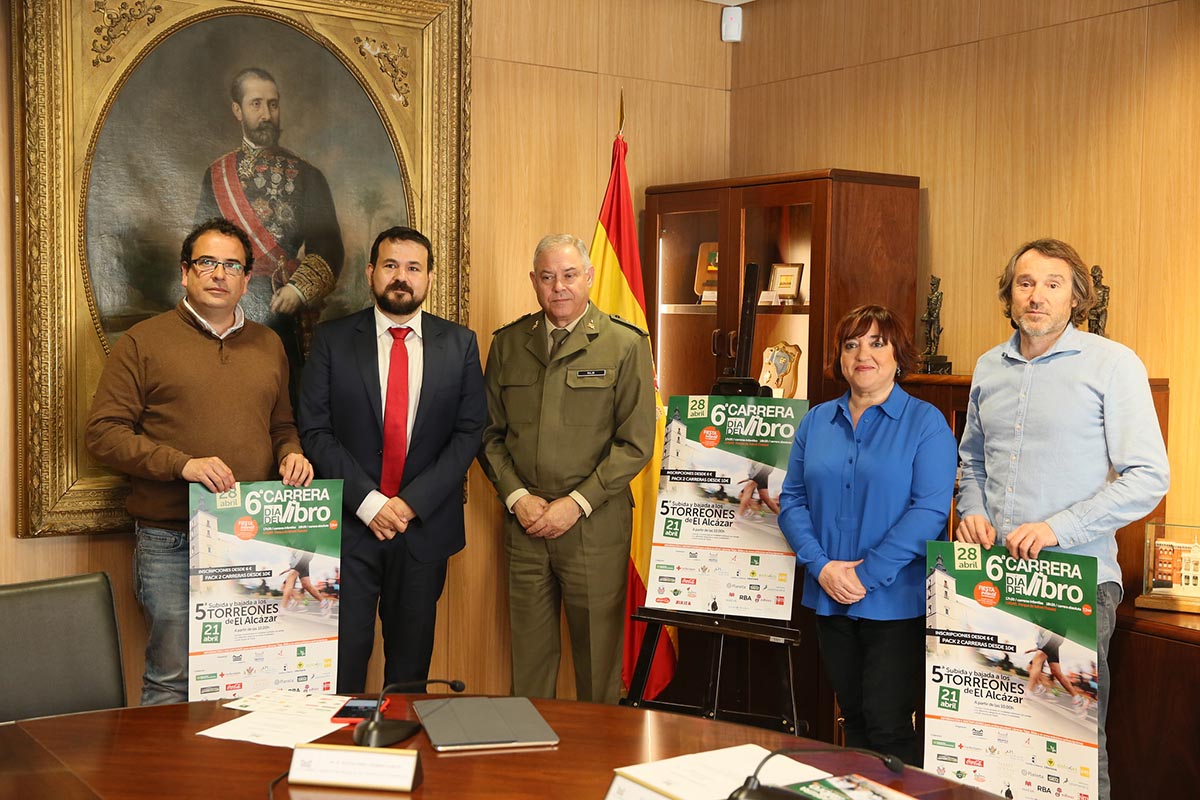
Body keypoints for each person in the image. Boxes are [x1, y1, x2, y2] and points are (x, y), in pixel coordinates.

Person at [955, 238, 1169, 800]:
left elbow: (1148, 475)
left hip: (1074, 579)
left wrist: (1059, 527)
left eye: (1053, 284)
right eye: (1025, 283)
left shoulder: (1113, 364)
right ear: (1009, 296)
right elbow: (971, 460)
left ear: (1076, 299)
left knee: (1070, 742)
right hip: (994, 578)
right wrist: (973, 510)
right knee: (992, 734)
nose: (1037, 295)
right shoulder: (987, 368)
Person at [86, 218, 314, 705]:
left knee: (254, 675)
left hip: (254, 538)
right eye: (207, 262)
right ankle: (164, 784)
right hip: (172, 538)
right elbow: (103, 436)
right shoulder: (143, 342)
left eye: (232, 265)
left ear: (246, 279)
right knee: (173, 678)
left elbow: (281, 427)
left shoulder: (269, 344)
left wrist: (291, 454)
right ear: (185, 272)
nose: (219, 274)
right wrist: (181, 464)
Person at [298, 226, 486, 692]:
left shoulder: (459, 344)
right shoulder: (332, 340)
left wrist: (407, 504)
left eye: (413, 268)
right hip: (347, 531)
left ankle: (400, 759)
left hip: (422, 532)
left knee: (409, 671)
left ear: (428, 278)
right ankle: (337, 759)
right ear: (370, 272)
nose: (401, 277)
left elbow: (469, 434)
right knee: (341, 666)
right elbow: (315, 431)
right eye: (390, 265)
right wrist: (370, 503)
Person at [480, 234, 656, 704]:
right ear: (534, 282)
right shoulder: (509, 343)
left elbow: (636, 443)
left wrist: (574, 505)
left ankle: (595, 766)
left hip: (594, 526)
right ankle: (530, 766)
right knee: (530, 661)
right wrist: (518, 498)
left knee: (598, 665)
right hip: (526, 523)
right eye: (547, 276)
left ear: (590, 277)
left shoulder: (624, 343)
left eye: (569, 274)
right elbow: (489, 435)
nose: (559, 286)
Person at [778, 304, 957, 766]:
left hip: (897, 602)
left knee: (888, 723)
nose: (864, 353)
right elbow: (792, 501)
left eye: (878, 342)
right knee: (853, 718)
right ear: (839, 356)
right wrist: (821, 568)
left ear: (899, 354)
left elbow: (930, 512)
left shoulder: (927, 424)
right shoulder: (817, 421)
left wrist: (866, 575)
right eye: (852, 343)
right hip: (829, 596)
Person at [196, 66, 344, 392]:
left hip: (282, 310)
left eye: (273, 104)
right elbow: (201, 249)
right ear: (238, 110)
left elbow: (329, 247)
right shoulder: (216, 175)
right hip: (227, 309)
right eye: (256, 104)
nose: (267, 114)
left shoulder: (307, 176)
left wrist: (298, 291)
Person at [1024, 628, 1091, 715]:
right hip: (1052, 637)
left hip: (1055, 632)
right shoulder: (1041, 631)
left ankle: (1029, 693)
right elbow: (1042, 644)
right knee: (1056, 671)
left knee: (1038, 659)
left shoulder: (1045, 623)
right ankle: (1078, 699)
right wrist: (1034, 649)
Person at [280, 550, 332, 616]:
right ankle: (324, 602)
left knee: (291, 576)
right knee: (306, 584)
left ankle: (282, 608)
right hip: (301, 556)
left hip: (304, 552)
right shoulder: (292, 548)